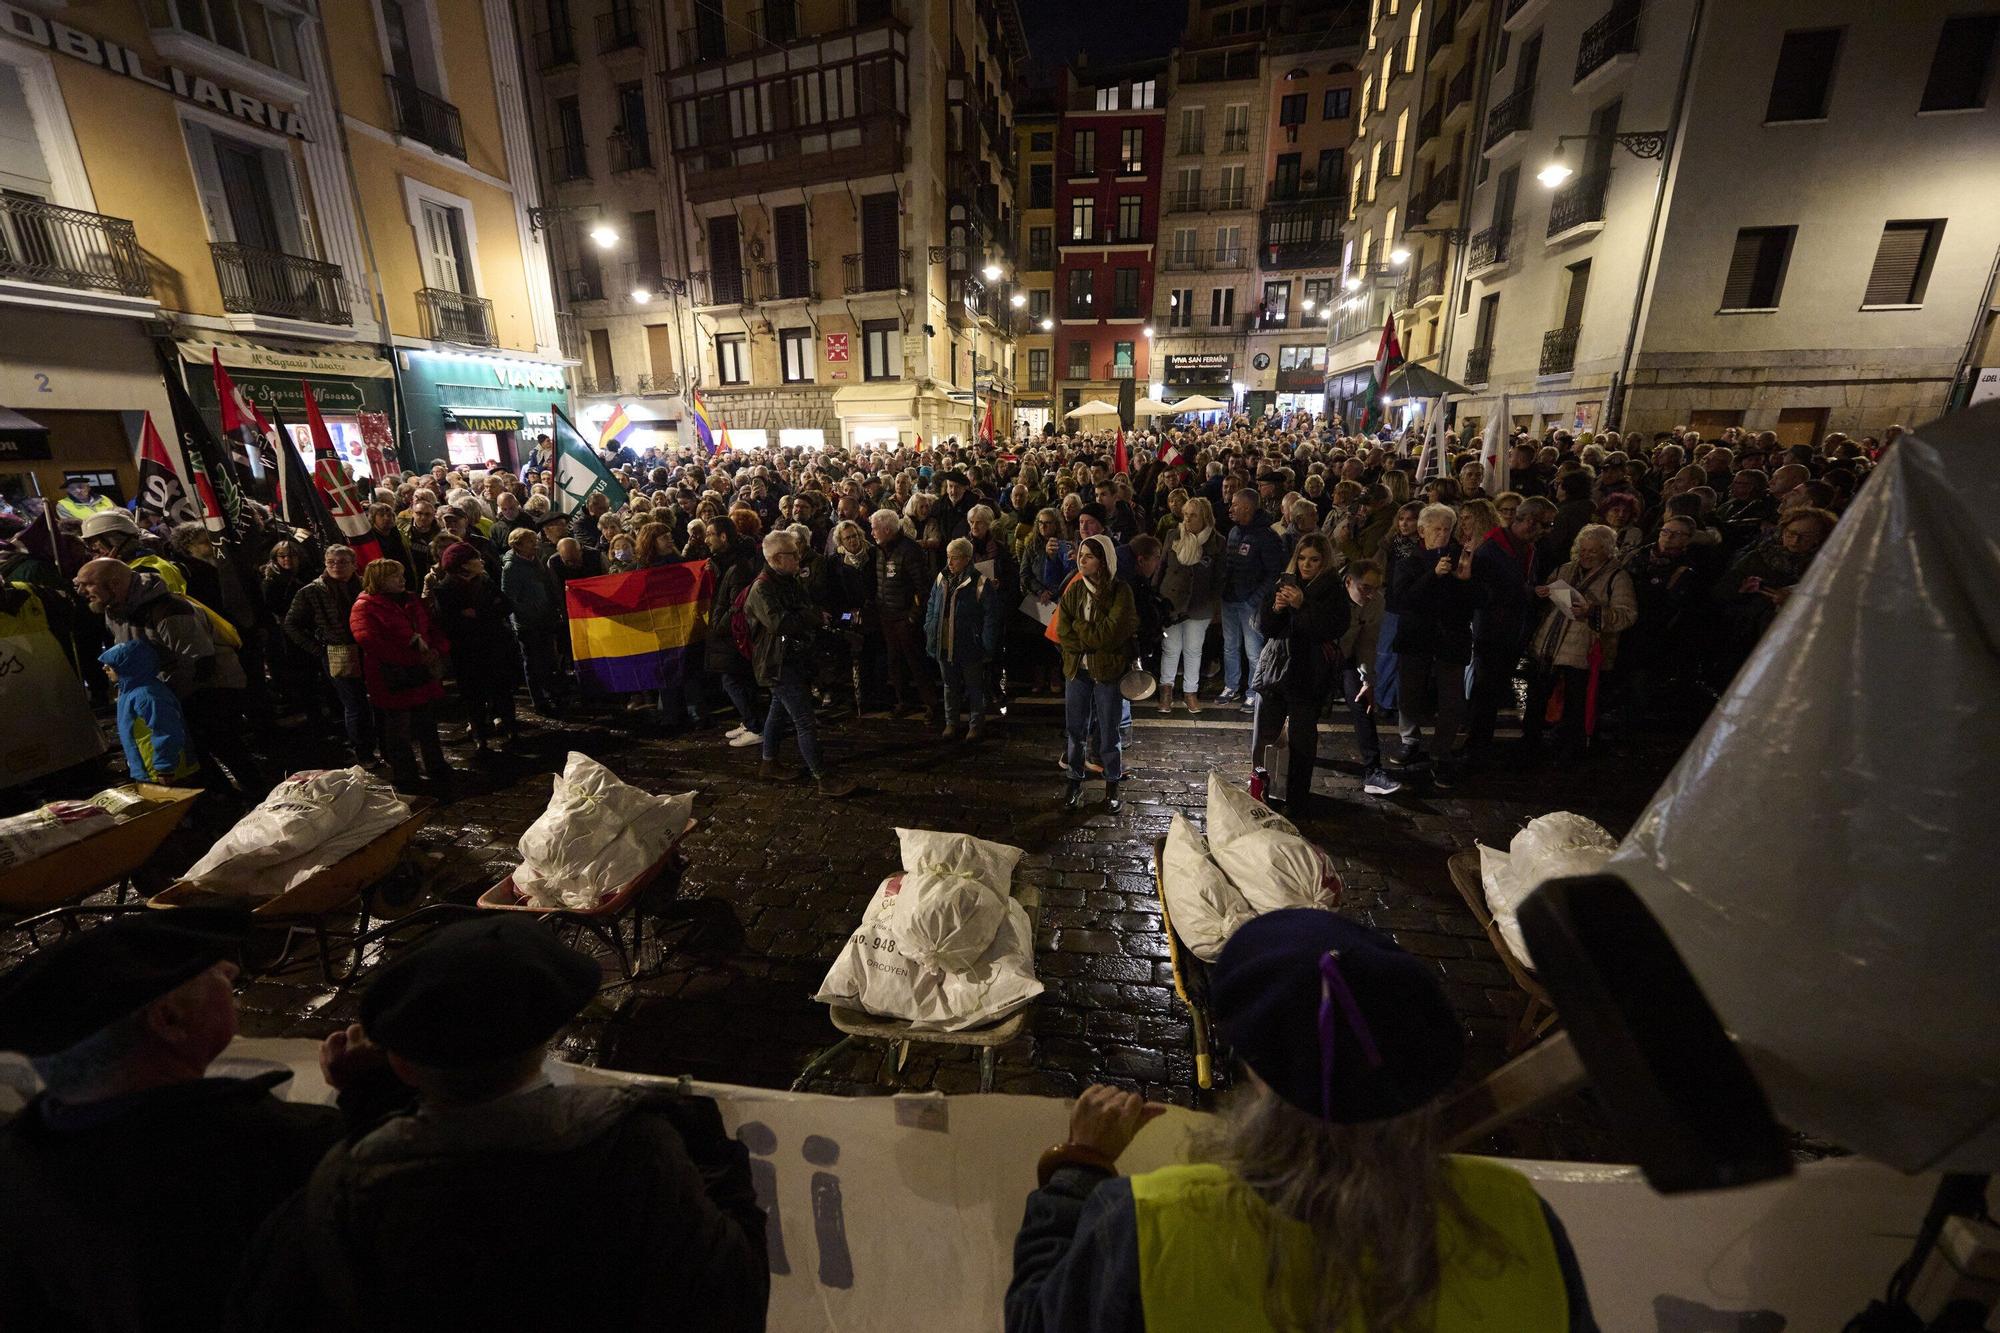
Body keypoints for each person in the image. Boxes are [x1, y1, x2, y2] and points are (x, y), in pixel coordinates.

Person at [1006, 910, 1594, 1332]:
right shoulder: (1524, 1218)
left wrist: (1080, 1166)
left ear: (1261, 1078)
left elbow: (1034, 1317)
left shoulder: (1145, 1224)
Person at [231, 918, 771, 1332]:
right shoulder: (633, 1149)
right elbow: (732, 1298)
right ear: (546, 1035)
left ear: (401, 1063)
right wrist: (713, 1155)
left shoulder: (347, 1183)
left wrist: (371, 1101)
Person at [0, 916, 364, 1332]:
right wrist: (370, 1097)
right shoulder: (280, 1147)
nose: (230, 970)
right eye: (210, 972)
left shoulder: (17, 1169)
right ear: (169, 1021)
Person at [77, 557, 258, 792]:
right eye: (78, 584)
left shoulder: (170, 611)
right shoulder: (114, 610)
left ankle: (258, 795)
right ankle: (222, 800)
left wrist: (164, 699)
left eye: (88, 584)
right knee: (193, 751)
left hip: (210, 687)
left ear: (114, 584)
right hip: (170, 690)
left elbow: (200, 662)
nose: (81, 591)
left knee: (222, 745)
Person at [744, 529, 858, 797]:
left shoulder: (787, 580)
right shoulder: (762, 588)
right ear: (775, 558)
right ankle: (823, 778)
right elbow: (779, 622)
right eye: (792, 554)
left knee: (777, 711)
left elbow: (803, 607)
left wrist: (813, 615)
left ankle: (769, 762)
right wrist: (811, 617)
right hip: (777, 664)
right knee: (805, 721)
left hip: (791, 658)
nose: (798, 557)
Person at [1248, 534, 1349, 819]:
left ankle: (1297, 797)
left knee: (1302, 740)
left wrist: (1302, 604)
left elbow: (1328, 628)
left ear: (1324, 561)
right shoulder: (1286, 581)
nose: (1307, 565)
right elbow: (1265, 626)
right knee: (1267, 733)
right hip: (1276, 669)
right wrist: (1276, 608)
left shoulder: (1332, 589)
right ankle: (1262, 788)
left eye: (1314, 560)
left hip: (1308, 673)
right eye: (1303, 558)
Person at [1523, 524, 1639, 758]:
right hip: (1549, 647)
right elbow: (1549, 591)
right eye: (1583, 550)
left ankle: (1570, 750)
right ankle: (1530, 746)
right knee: (1537, 699)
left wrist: (1593, 612)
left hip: (1583, 652)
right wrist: (1543, 593)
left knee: (1577, 705)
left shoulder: (1617, 577)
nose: (1585, 556)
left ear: (1607, 551)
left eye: (1592, 551)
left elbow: (1627, 614)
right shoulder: (1566, 569)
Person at [1389, 504, 1483, 786]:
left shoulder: (1462, 560)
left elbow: (1475, 601)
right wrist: (1433, 575)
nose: (1442, 535)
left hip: (1450, 639)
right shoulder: (1410, 560)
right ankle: (1409, 739)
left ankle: (1441, 751)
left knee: (1451, 698)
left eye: (1446, 529)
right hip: (1416, 638)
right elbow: (1403, 599)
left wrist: (1465, 582)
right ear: (1422, 531)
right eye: (1436, 529)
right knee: (1409, 691)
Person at [1464, 497, 1556, 765]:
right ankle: (1477, 744)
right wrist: (1525, 592)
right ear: (1528, 522)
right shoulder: (1491, 549)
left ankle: (1488, 740)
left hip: (1515, 629)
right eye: (1545, 525)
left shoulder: (1528, 549)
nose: (1546, 530)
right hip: (1493, 630)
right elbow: (1482, 593)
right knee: (1486, 690)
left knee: (1498, 686)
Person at [349, 558, 449, 788]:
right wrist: (413, 656)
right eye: (395, 576)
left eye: (401, 574)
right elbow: (370, 641)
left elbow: (431, 627)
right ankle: (406, 774)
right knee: (398, 730)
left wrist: (437, 648)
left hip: (420, 673)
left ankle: (436, 764)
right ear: (379, 580)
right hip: (393, 676)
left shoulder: (412, 600)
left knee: (427, 723)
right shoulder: (365, 606)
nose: (401, 579)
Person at [1058, 534, 1136, 813]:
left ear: (1103, 561)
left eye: (1088, 556)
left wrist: (1082, 630)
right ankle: (1074, 781)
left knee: (1108, 730)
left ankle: (1112, 784)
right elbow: (1063, 630)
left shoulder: (1121, 591)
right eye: (1081, 555)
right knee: (1075, 730)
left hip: (1108, 671)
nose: (1082, 560)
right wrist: (1086, 636)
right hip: (1077, 669)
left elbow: (1110, 634)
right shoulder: (1074, 589)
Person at [284, 544, 375, 767]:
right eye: (331, 562)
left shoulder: (366, 585)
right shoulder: (312, 591)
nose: (337, 566)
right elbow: (291, 624)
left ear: (354, 565)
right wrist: (317, 649)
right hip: (338, 651)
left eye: (343, 562)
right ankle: (363, 752)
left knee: (375, 699)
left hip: (369, 649)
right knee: (354, 703)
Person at [431, 541, 521, 752]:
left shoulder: (485, 581)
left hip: (494, 645)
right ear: (463, 565)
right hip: (468, 652)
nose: (481, 561)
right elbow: (449, 622)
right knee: (474, 695)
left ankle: (510, 727)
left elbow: (505, 605)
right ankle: (480, 734)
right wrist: (487, 611)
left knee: (502, 689)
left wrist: (477, 613)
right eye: (475, 559)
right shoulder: (445, 589)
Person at [925, 536, 1003, 741]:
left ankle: (975, 724)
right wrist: (930, 628)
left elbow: (990, 617)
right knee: (949, 685)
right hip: (944, 640)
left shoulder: (980, 583)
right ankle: (951, 722)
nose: (950, 562)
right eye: (948, 557)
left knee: (974, 686)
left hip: (969, 643)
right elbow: (932, 605)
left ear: (967, 559)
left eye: (955, 558)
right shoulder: (942, 579)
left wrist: (986, 644)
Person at [1335, 560, 1400, 796]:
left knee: (1363, 704)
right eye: (1366, 588)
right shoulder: (1332, 595)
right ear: (1349, 581)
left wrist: (1367, 679)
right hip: (1320, 657)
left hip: (1348, 656)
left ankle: (1373, 770)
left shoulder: (1375, 602)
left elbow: (1368, 642)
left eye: (1376, 588)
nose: (1371, 594)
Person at [871, 507, 940, 723]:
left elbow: (922, 586)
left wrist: (913, 616)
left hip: (905, 618)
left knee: (916, 662)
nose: (871, 532)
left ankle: (932, 704)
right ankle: (904, 701)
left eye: (874, 528)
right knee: (895, 661)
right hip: (888, 615)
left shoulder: (909, 550)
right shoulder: (881, 549)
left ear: (887, 529)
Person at [1218, 490, 1285, 711]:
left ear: (1247, 507)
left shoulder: (1266, 537)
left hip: (1250, 604)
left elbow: (1274, 572)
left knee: (1253, 650)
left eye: (1235, 505)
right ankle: (1231, 685)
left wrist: (1255, 599)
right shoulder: (1234, 532)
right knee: (1230, 646)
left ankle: (1254, 691)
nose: (1231, 508)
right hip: (1229, 600)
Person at [1157, 496, 1223, 714]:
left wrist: (1215, 607)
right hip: (1172, 602)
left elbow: (1219, 579)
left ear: (1205, 517)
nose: (1187, 519)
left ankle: (1190, 692)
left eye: (1193, 515)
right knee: (1171, 648)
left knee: (1193, 650)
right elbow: (1162, 567)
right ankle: (1166, 691)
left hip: (1199, 604)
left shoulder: (1216, 542)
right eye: (1185, 514)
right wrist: (1155, 595)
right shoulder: (1173, 535)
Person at [706, 513, 767, 748]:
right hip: (728, 634)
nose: (707, 540)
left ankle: (756, 726)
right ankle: (750, 720)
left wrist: (718, 627)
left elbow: (737, 606)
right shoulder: (726, 560)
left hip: (732, 636)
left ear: (723, 536)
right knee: (740, 679)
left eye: (711, 535)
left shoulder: (738, 566)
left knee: (732, 681)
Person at [99, 639, 200, 782]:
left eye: (110, 666)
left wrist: (165, 768)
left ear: (129, 667)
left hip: (166, 773)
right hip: (151, 769)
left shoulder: (146, 695)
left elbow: (166, 731)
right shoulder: (129, 691)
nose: (104, 668)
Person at [500, 526, 565, 717]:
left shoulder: (535, 560)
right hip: (527, 623)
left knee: (547, 660)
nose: (534, 544)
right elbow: (509, 597)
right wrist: (527, 613)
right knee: (532, 663)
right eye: (529, 541)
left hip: (544, 619)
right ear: (518, 545)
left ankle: (551, 693)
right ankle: (539, 700)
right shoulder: (511, 567)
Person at [55, 474, 119, 523]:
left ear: (88, 487)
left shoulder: (104, 498)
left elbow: (120, 514)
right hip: (89, 538)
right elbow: (72, 528)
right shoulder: (62, 505)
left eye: (80, 486)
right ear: (68, 491)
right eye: (72, 488)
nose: (78, 490)